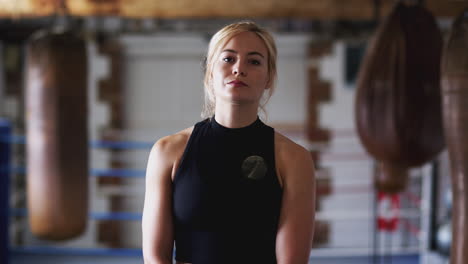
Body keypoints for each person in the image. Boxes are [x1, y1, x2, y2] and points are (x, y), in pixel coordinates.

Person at [142, 21, 316, 264]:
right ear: (210, 71)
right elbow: (155, 258)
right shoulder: (168, 152)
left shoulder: (293, 159)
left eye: (254, 61)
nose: (239, 69)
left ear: (269, 77)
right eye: (228, 59)